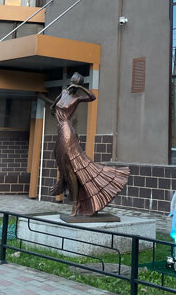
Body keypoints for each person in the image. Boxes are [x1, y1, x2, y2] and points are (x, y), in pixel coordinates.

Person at [49, 73, 129, 216]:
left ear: (79, 84)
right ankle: (71, 193)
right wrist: (55, 105)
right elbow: (52, 109)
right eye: (73, 81)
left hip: (67, 131)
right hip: (60, 131)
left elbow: (92, 97)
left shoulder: (77, 98)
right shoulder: (63, 93)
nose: (73, 84)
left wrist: (81, 88)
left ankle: (75, 203)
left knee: (71, 167)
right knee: (62, 162)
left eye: (76, 83)